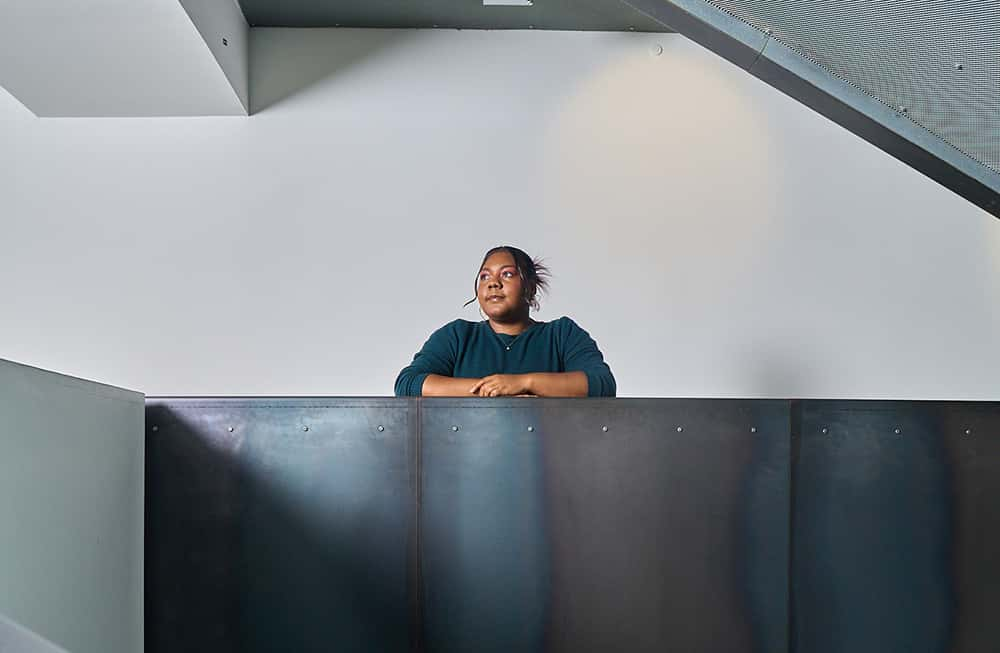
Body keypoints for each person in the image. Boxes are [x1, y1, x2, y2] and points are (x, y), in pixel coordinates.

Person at [394, 246, 616, 397]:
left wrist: (523, 383)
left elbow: (601, 384)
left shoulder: (562, 334)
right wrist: (492, 389)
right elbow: (408, 384)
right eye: (484, 276)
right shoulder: (458, 335)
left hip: (549, 459)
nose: (493, 283)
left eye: (507, 274)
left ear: (530, 286)